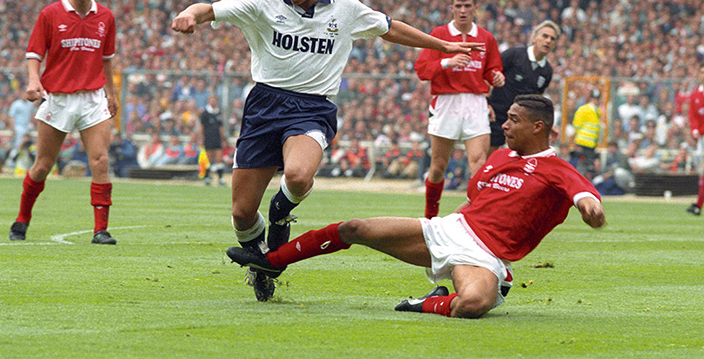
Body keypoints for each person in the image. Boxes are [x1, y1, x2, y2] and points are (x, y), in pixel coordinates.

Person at [171, 0, 483, 302]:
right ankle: (262, 264)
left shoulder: (344, 7)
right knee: (241, 213)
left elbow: (389, 27)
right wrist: (189, 14)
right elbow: (209, 8)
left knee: (299, 176)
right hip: (264, 105)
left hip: (312, 107)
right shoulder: (262, 0)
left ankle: (282, 210)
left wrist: (442, 44)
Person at [227, 95, 606, 318]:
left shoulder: (557, 169)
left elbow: (585, 196)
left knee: (472, 305)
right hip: (451, 229)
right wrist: (444, 223)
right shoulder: (500, 158)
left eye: (514, 120)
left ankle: (430, 303)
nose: (504, 125)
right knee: (355, 228)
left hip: (485, 256)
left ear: (539, 128)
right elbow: (477, 199)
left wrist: (591, 208)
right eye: (505, 118)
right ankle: (271, 261)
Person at [8, 0, 119, 245]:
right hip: (57, 97)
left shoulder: (106, 17)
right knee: (43, 165)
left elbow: (106, 60)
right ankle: (22, 220)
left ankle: (101, 230)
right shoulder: (50, 14)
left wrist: (112, 94)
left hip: (93, 98)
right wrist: (34, 81)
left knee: (101, 160)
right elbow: (34, 54)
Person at [414, 0, 505, 219]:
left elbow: (492, 69)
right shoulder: (439, 34)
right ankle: (430, 218)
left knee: (478, 163)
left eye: (467, 6)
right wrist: (447, 62)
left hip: (476, 103)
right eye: (459, 6)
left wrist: (496, 75)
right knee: (437, 167)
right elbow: (422, 70)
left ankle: (475, 218)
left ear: (475, 8)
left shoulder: (486, 38)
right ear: (451, 8)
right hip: (446, 103)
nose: (463, 10)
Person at [488, 20, 560, 152]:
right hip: (496, 117)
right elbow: (489, 73)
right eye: (545, 36)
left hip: (522, 123)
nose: (548, 41)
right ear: (534, 37)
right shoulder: (514, 55)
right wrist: (486, 103)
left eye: (552, 38)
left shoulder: (547, 71)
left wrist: (548, 125)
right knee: (487, 160)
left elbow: (536, 100)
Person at [571, 88, 603, 179]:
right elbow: (576, 125)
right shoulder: (584, 109)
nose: (596, 101)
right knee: (584, 166)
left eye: (597, 99)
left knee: (589, 167)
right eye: (594, 99)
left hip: (591, 144)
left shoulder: (597, 111)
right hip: (583, 143)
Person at [685, 63, 704, 216]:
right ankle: (698, 205)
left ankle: (698, 205)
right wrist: (695, 129)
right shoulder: (696, 95)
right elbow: (692, 115)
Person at [199, 94, 227, 186]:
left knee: (219, 158)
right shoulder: (205, 113)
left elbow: (221, 127)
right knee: (209, 158)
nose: (213, 101)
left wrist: (223, 138)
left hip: (217, 138)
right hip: (208, 138)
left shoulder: (218, 113)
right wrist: (201, 138)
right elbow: (201, 127)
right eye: (211, 99)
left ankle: (220, 178)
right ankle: (207, 177)